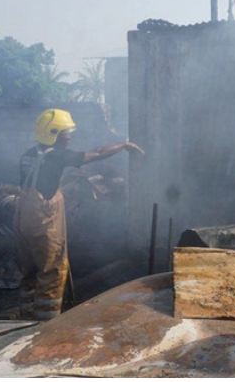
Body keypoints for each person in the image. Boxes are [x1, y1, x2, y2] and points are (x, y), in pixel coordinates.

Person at [16, 108, 143, 320]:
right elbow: (98, 152)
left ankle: (26, 316)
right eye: (65, 132)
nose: (69, 136)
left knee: (30, 269)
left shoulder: (28, 155)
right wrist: (123, 145)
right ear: (53, 133)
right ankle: (45, 323)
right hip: (43, 217)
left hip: (23, 217)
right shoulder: (57, 156)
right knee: (52, 269)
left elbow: (42, 181)